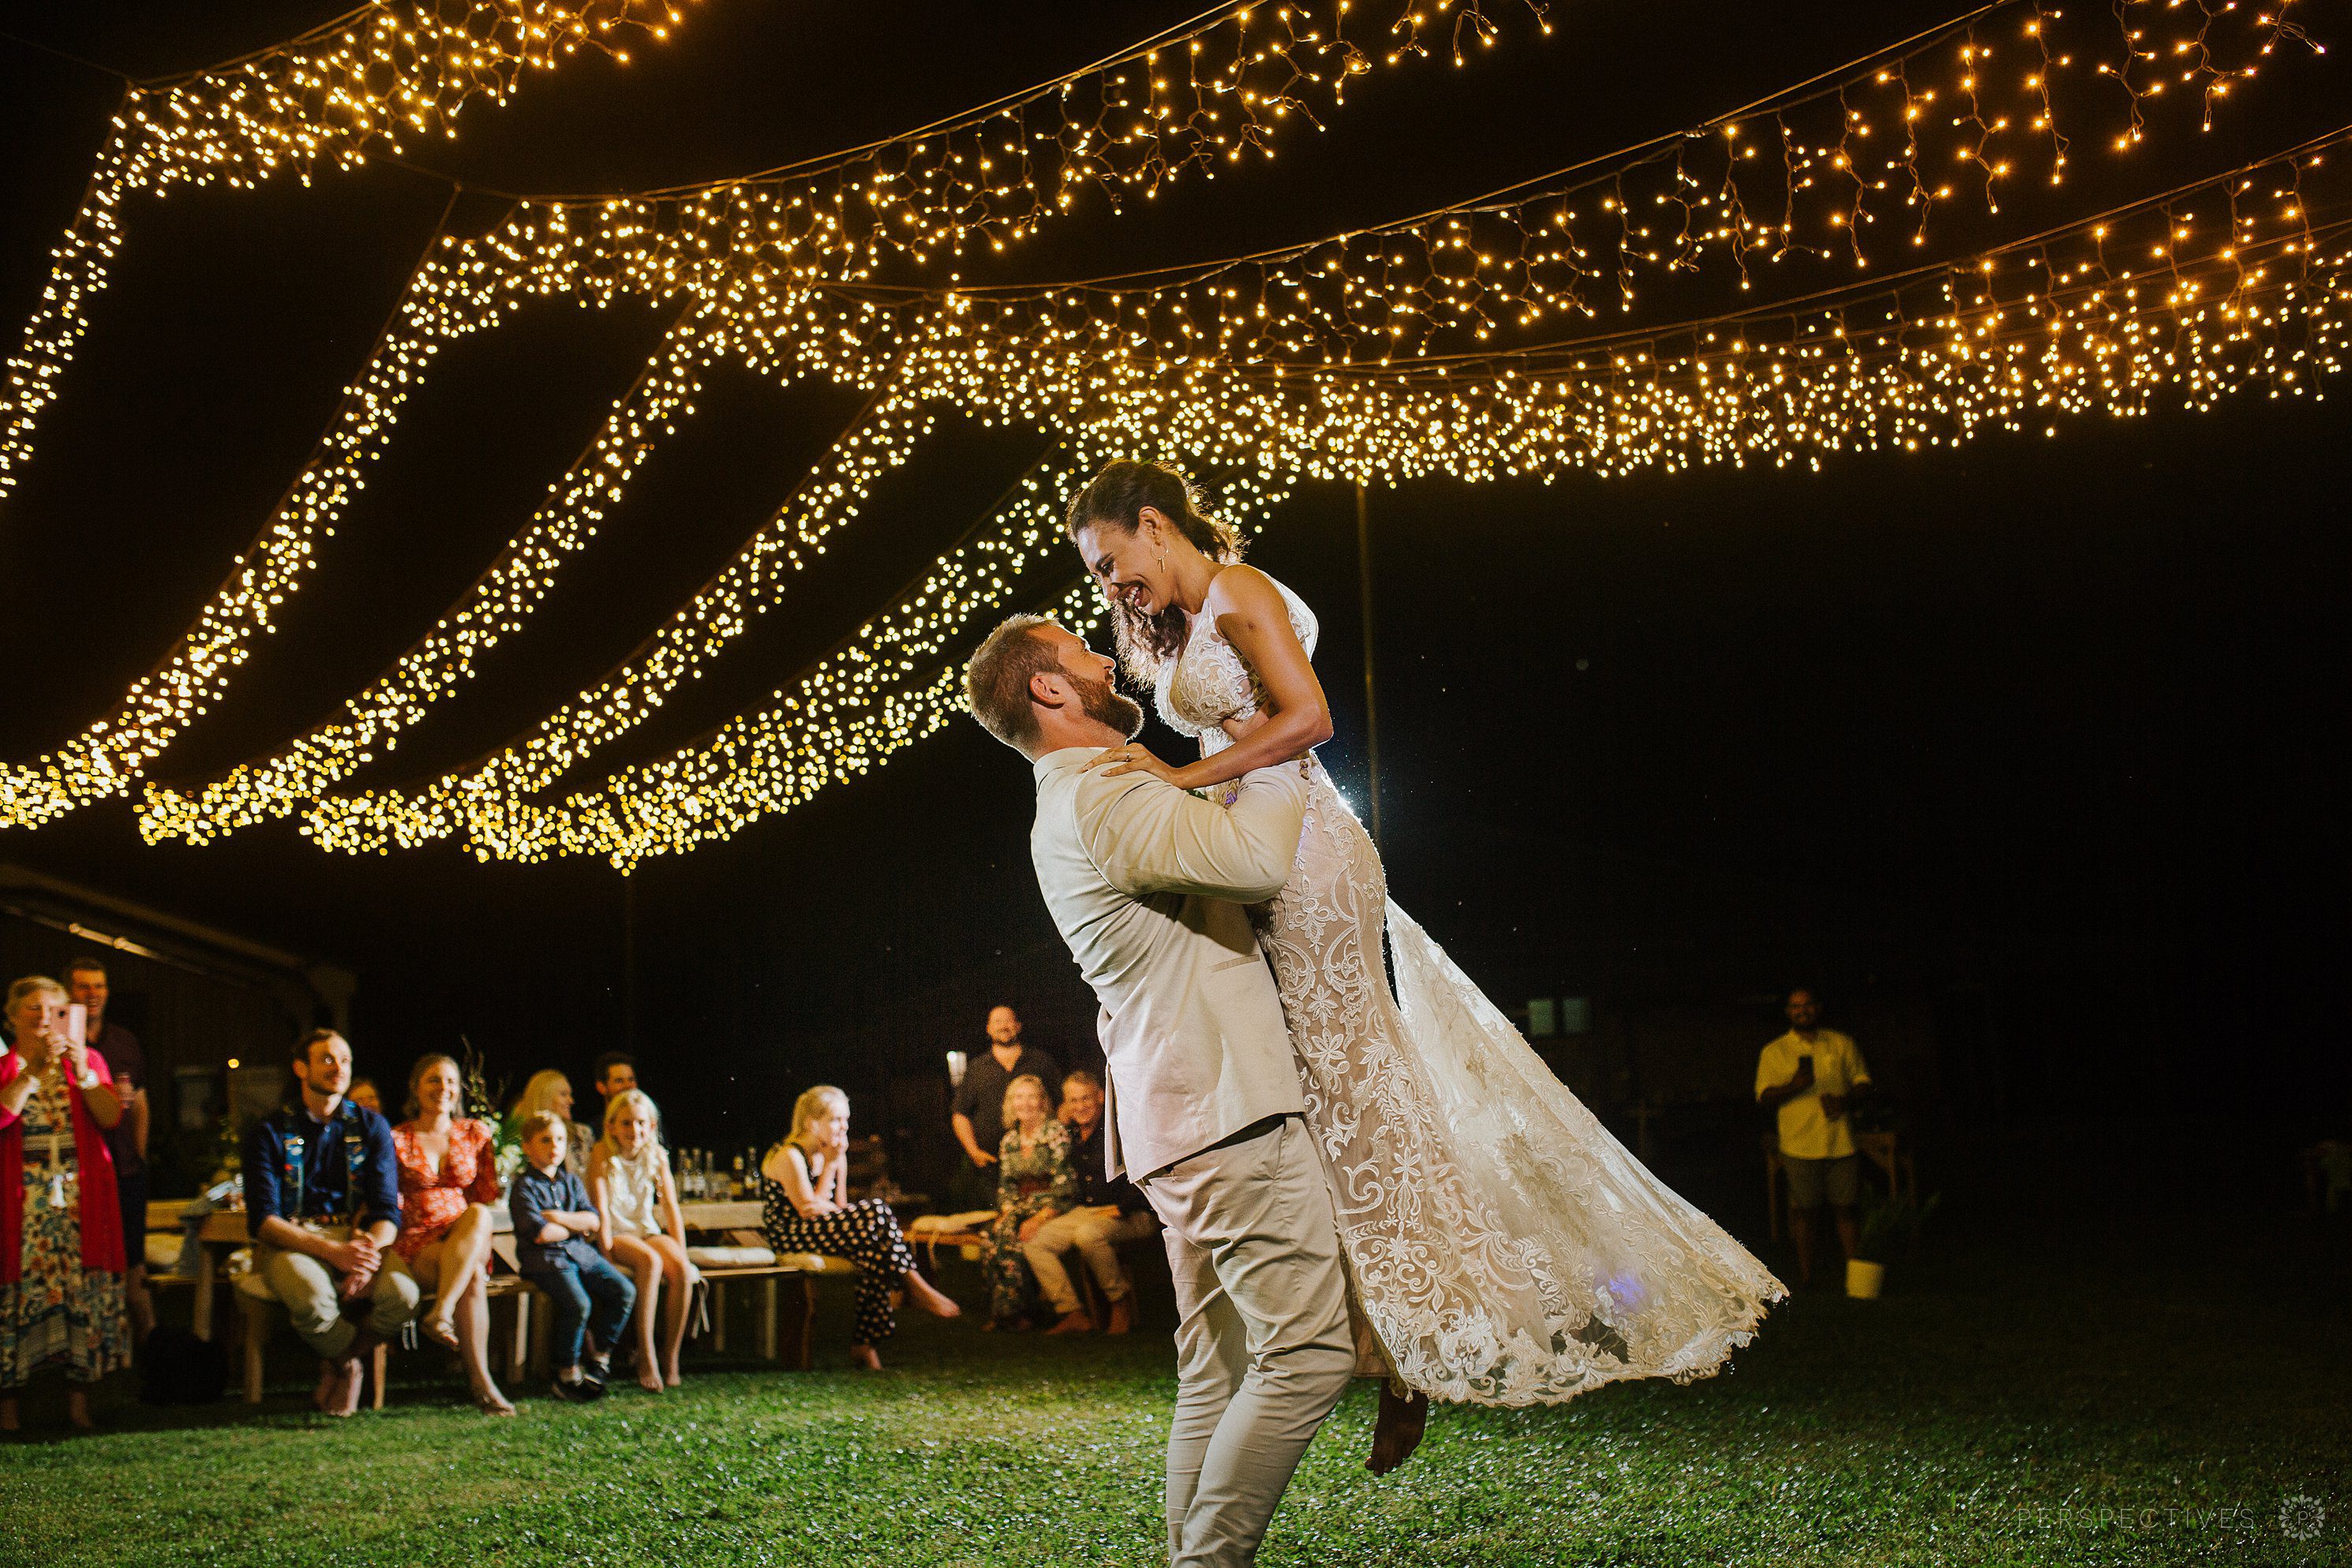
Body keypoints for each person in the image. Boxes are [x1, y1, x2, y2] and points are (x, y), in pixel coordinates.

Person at [1065, 459, 1787, 1459]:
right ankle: (1392, 1338)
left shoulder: (1239, 588)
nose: (1111, 587)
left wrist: (1185, 776)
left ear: (1151, 524)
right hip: (1260, 854)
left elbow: (1311, 719)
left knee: (1352, 1085)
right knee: (1324, 1092)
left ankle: (1421, 1340)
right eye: (1099, 576)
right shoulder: (1189, 618)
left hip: (1308, 857)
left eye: (1111, 562)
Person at [964, 614, 1357, 1566]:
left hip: (1180, 1118)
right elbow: (1257, 863)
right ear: (1050, 691)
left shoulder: (1080, 796)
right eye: (1081, 653)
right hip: (1226, 1113)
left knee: (1215, 1370)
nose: (1106, 659)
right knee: (1307, 1356)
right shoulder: (1099, 795)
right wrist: (1263, 743)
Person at [242, 1029, 418, 1418]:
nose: (338, 1068)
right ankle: (351, 1366)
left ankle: (337, 1359)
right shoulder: (268, 1131)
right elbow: (264, 1221)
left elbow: (388, 1210)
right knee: (312, 1299)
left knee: (403, 1295)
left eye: (344, 1060)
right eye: (326, 1059)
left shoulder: (371, 1127)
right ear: (300, 1067)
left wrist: (365, 1258)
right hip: (294, 1239)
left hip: (359, 1240)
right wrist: (334, 1254)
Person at [0, 975, 130, 1431]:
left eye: (54, 1011)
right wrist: (32, 1074)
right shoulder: (5, 1064)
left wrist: (85, 1073)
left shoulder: (89, 1059)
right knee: (17, 1295)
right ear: (12, 1017)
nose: (43, 1019)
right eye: (32, 1010)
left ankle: (79, 1405)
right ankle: (9, 1409)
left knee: (79, 1289)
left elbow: (111, 1116)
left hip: (79, 1198)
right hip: (21, 1199)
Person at [758, 1086, 959, 1369]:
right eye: (836, 1120)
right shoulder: (789, 1155)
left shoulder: (835, 1154)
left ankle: (865, 1345)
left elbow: (838, 1208)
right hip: (791, 1234)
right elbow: (807, 1209)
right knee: (876, 1210)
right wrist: (829, 1166)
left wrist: (835, 1168)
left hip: (823, 1231)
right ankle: (915, 1286)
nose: (844, 1128)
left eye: (847, 1120)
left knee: (874, 1252)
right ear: (812, 1123)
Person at [390, 1054, 511, 1415]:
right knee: (471, 1275)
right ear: (416, 1087)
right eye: (433, 1080)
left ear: (458, 1090)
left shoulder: (474, 1132)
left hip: (462, 1233)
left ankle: (441, 1312)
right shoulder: (397, 1137)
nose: (442, 1088)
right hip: (417, 1239)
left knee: (477, 1215)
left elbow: (486, 1195)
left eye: (449, 1082)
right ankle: (483, 1385)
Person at [509, 1111, 634, 1402]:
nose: (554, 1146)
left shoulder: (571, 1181)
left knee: (624, 1291)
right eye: (546, 1140)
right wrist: (573, 1224)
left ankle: (600, 1359)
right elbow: (542, 1235)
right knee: (579, 1303)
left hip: (580, 1255)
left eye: (560, 1140)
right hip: (546, 1261)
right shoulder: (524, 1187)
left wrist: (559, 1218)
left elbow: (594, 1222)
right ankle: (567, 1372)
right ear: (528, 1147)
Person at [1756, 989, 1874, 1289]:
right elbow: (1764, 1096)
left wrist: (1844, 1101)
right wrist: (1795, 1086)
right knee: (1804, 1212)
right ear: (1788, 1012)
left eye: (1807, 1005)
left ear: (1818, 1008)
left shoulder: (1840, 1043)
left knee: (1846, 1208)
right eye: (1796, 1006)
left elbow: (1863, 1081)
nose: (1802, 1011)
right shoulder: (1776, 1051)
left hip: (1839, 1140)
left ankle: (1855, 1277)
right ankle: (1807, 1276)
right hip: (1799, 1144)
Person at [62, 956, 152, 1345]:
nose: (92, 994)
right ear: (68, 992)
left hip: (125, 1171)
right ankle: (95, 1341)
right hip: (78, 1173)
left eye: (99, 986)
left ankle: (151, 1344)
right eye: (83, 986)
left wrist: (138, 1155)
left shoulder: (123, 1041)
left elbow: (142, 1105)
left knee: (133, 1258)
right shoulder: (60, 1044)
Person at [1028, 1070, 1156, 1336]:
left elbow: (1144, 1177)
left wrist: (1121, 1208)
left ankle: (1119, 1302)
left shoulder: (1119, 1130)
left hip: (1131, 1213)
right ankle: (1072, 1312)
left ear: (1100, 1097)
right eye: (1073, 1101)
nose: (1080, 1106)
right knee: (1035, 1241)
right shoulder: (1070, 1136)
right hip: (1086, 1211)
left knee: (1088, 1236)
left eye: (1086, 1099)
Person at [589, 1087, 695, 1392]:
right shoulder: (603, 1153)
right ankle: (646, 1353)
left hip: (646, 1230)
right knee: (650, 1261)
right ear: (612, 1126)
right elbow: (601, 1209)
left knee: (680, 1269)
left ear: (650, 1126)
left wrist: (681, 1250)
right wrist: (606, 1252)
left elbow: (670, 1207)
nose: (633, 1130)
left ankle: (671, 1355)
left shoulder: (656, 1154)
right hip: (617, 1234)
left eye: (640, 1123)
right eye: (626, 1123)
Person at [985, 1074, 1077, 1330]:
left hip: (1052, 1204)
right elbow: (1006, 1186)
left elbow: (1065, 1184)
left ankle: (1020, 1313)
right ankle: (1006, 1313)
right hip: (1020, 1206)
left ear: (1042, 1102)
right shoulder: (1010, 1140)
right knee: (993, 1238)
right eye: (1018, 1097)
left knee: (1016, 1238)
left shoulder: (1055, 1132)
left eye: (1031, 1096)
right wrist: (1006, 1211)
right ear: (1010, 1103)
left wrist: (1039, 1218)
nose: (1024, 1103)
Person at [949, 1006, 1059, 1211]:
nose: (1003, 1026)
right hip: (991, 1166)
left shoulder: (1041, 1061)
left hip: (1036, 1169)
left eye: (1008, 1021)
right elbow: (960, 1114)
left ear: (1018, 1026)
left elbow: (1062, 1104)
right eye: (997, 1022)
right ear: (988, 1029)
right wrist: (974, 1152)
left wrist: (1053, 1142)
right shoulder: (976, 1068)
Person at [514, 1069, 594, 1177]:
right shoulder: (517, 1137)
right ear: (545, 1097)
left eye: (560, 1139)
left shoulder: (581, 1134)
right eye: (564, 1094)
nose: (571, 1101)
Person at [591, 1052, 638, 1121]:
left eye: (631, 1079)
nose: (628, 1086)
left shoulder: (647, 1125)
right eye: (619, 1081)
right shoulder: (592, 1130)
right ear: (601, 1087)